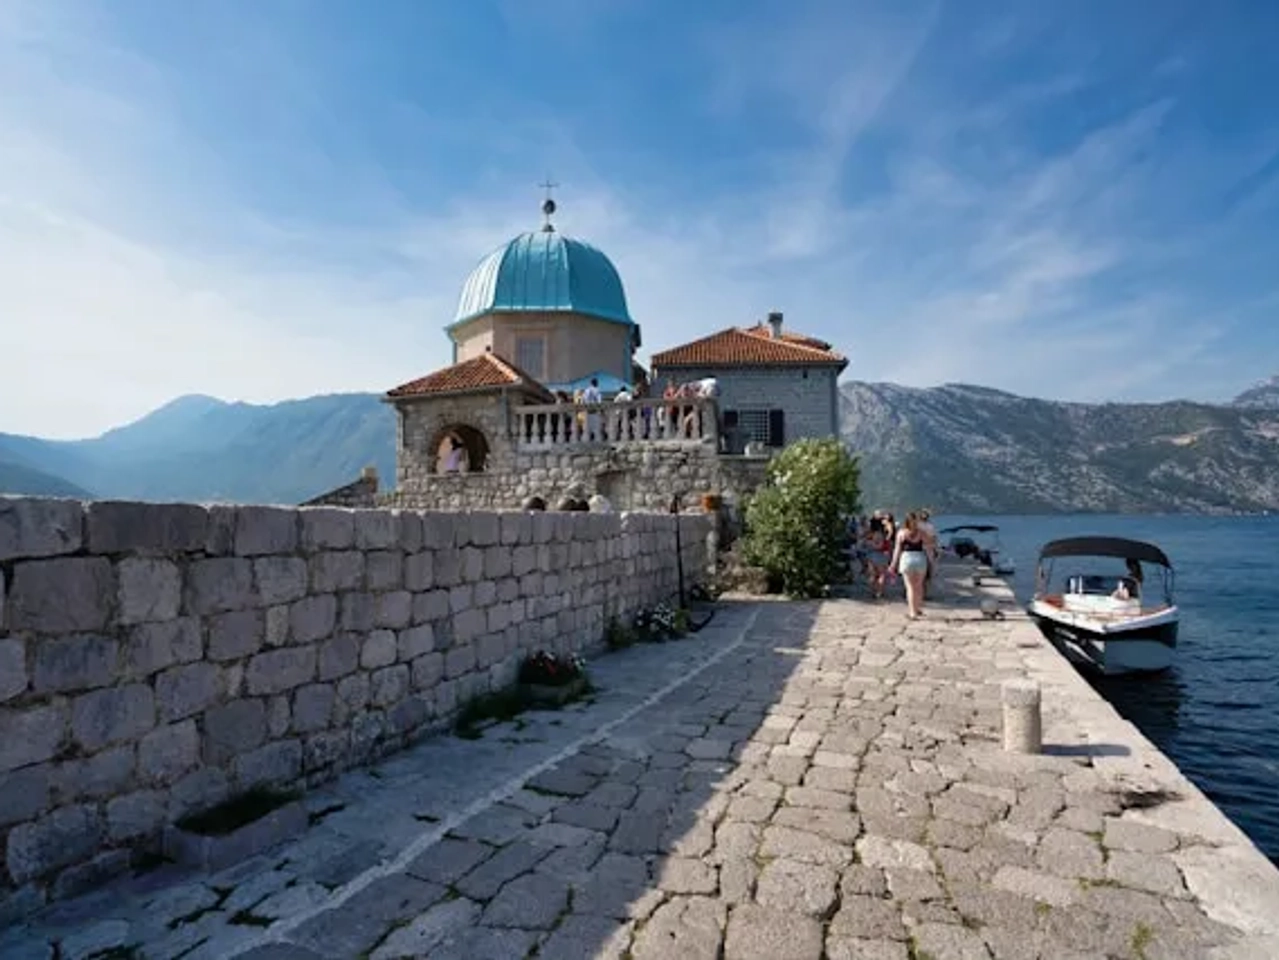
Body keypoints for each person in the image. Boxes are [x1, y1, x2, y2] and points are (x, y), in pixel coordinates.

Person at [890, 512, 931, 619]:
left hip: (906, 559)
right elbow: (929, 546)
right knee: (919, 586)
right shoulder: (922, 533)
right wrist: (932, 562)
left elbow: (897, 550)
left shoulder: (901, 533)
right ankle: (917, 609)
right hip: (920, 559)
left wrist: (893, 564)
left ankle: (912, 612)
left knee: (910, 587)